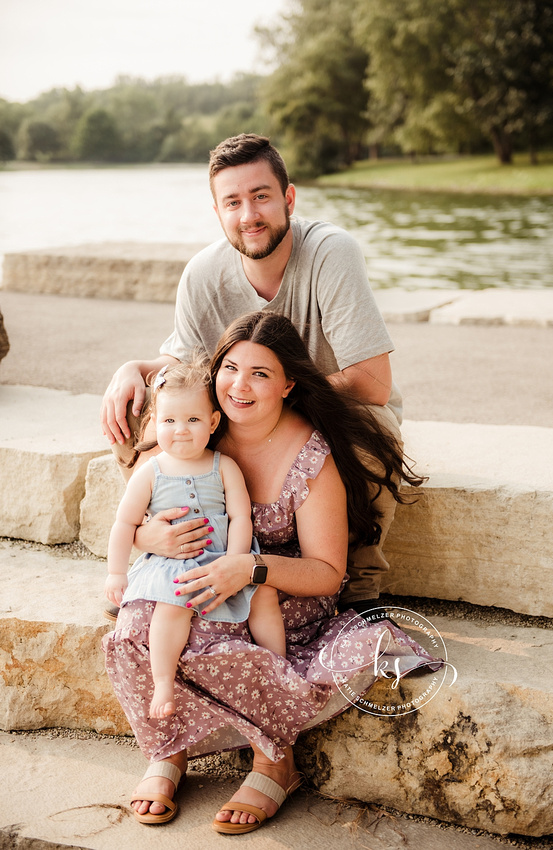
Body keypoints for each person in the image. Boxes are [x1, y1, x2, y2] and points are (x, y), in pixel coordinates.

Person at [102, 311, 440, 834]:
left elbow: (327, 573)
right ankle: (168, 748)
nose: (239, 385)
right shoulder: (195, 422)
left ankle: (273, 758)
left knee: (221, 638)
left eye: (259, 373)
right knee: (133, 628)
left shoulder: (309, 457)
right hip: (190, 574)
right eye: (230, 367)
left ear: (287, 385)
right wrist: (148, 536)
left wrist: (249, 568)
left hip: (277, 589)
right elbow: (138, 504)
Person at [100, 133, 403, 614]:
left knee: (367, 444)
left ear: (288, 198)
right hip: (244, 404)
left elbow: (372, 381)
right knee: (145, 416)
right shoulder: (202, 272)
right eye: (233, 202)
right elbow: (185, 365)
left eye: (261, 196)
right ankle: (160, 534)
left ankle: (360, 582)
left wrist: (282, 400)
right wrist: (134, 369)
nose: (249, 215)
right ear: (217, 210)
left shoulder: (330, 252)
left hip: (332, 406)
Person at [104, 359, 285, 721]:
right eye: (169, 421)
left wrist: (235, 560)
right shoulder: (150, 472)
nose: (181, 431)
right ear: (155, 420)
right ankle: (164, 681)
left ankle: (278, 668)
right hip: (176, 563)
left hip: (226, 556)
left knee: (264, 594)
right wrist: (116, 574)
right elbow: (124, 523)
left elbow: (240, 517)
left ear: (213, 422)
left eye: (193, 420)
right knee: (173, 605)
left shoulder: (223, 466)